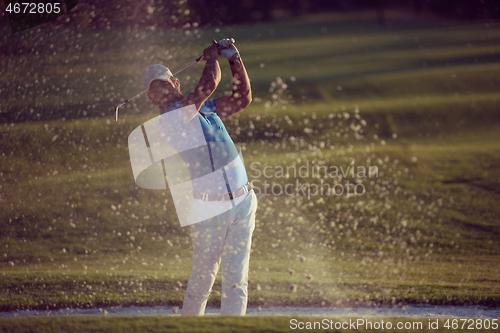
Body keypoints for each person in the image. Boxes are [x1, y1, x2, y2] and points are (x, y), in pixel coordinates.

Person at [141, 39, 258, 316]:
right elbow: (209, 83)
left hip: (243, 202)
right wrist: (213, 57)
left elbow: (243, 99)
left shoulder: (205, 108)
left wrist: (235, 60)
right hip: (209, 208)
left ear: (175, 83)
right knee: (203, 279)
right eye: (154, 90)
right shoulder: (170, 120)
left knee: (236, 280)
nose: (160, 91)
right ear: (150, 99)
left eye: (163, 83)